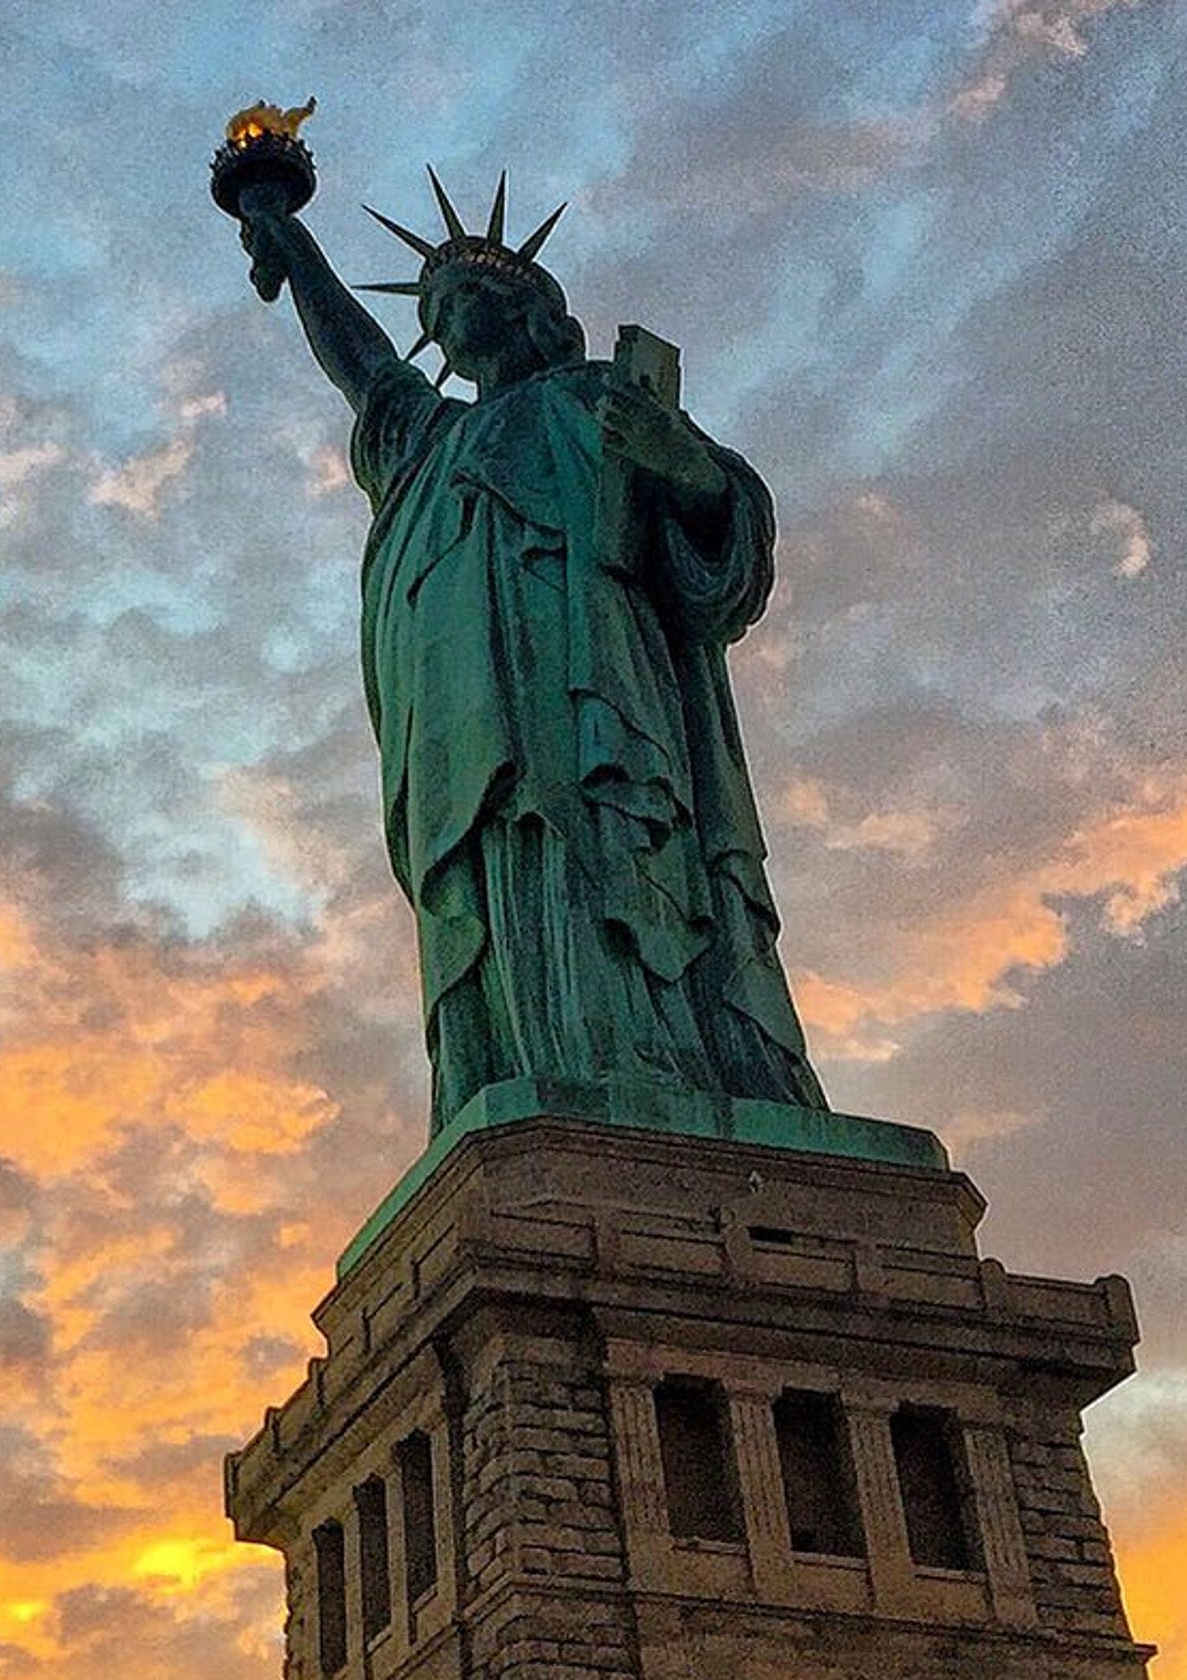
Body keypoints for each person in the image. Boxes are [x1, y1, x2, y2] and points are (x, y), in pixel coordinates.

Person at [238, 170, 830, 1131]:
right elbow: (364, 369)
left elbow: (722, 545)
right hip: (460, 729)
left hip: (591, 695)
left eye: (467, 292)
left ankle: (652, 1061)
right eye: (434, 306)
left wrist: (682, 466)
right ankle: (513, 1074)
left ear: (531, 310)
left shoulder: (593, 400)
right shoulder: (427, 443)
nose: (447, 315)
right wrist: (283, 235)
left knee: (598, 858)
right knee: (495, 884)